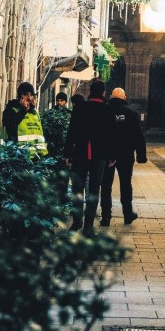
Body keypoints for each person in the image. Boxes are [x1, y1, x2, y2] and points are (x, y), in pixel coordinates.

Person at [64, 79, 115, 235]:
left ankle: (76, 222)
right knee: (94, 191)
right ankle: (88, 226)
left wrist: (67, 154)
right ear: (103, 93)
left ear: (89, 92)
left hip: (80, 154)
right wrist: (112, 155)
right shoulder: (108, 110)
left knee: (78, 189)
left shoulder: (80, 108)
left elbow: (71, 132)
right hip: (99, 156)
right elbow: (112, 136)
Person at [99, 88, 147, 226]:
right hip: (126, 155)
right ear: (125, 97)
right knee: (126, 185)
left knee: (106, 186)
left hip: (107, 156)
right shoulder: (131, 113)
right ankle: (127, 214)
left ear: (110, 96)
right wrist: (141, 156)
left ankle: (106, 217)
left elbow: (100, 134)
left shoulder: (104, 111)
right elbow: (139, 136)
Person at [2, 81, 48, 156]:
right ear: (20, 96)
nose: (29, 98)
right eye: (25, 94)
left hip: (37, 157)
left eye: (31, 95)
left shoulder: (35, 113)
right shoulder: (11, 110)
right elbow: (10, 127)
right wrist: (23, 110)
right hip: (19, 157)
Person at [40, 91, 72, 158]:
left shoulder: (70, 114)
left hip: (65, 146)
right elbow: (44, 129)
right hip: (53, 146)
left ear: (65, 102)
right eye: (57, 100)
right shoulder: (49, 113)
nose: (59, 102)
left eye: (61, 100)